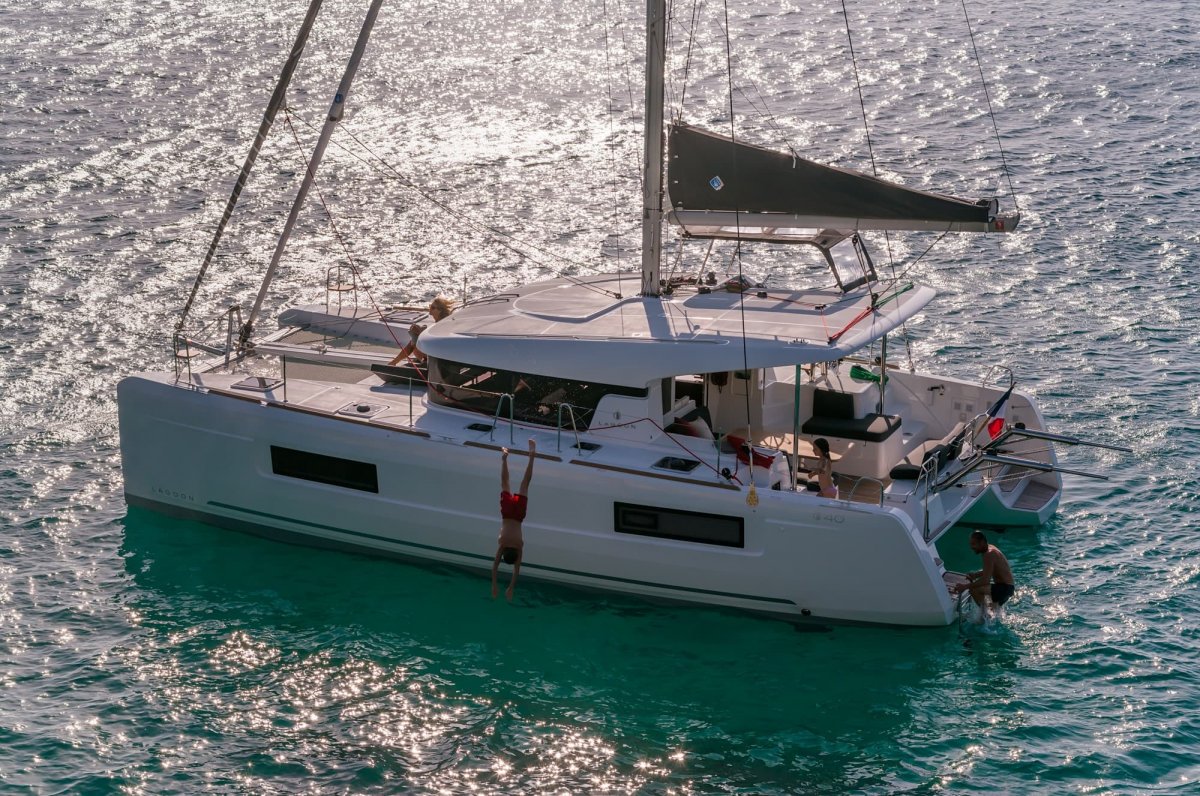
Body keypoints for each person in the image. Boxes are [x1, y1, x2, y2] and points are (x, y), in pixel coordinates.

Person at [492, 438, 536, 601]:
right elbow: (495, 567)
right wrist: (494, 585)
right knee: (505, 484)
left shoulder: (519, 546)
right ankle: (504, 458)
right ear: (504, 554)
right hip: (508, 514)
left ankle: (532, 457)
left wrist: (511, 587)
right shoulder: (502, 545)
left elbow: (516, 571)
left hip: (518, 516)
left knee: (525, 484)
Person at [953, 530, 1015, 610]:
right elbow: (991, 570)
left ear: (981, 542)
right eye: (971, 544)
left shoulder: (988, 554)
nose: (971, 547)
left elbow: (986, 580)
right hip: (1007, 588)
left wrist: (964, 587)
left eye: (973, 544)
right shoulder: (989, 549)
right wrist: (975, 575)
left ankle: (985, 616)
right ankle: (990, 612)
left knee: (974, 590)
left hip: (1004, 589)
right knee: (992, 610)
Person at [388, 296, 453, 365]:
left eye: (433, 308)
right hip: (436, 354)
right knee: (415, 336)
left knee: (415, 338)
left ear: (440, 311)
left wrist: (419, 333)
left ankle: (395, 362)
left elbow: (436, 341)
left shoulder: (442, 325)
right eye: (430, 306)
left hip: (438, 358)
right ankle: (395, 362)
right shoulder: (442, 323)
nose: (430, 309)